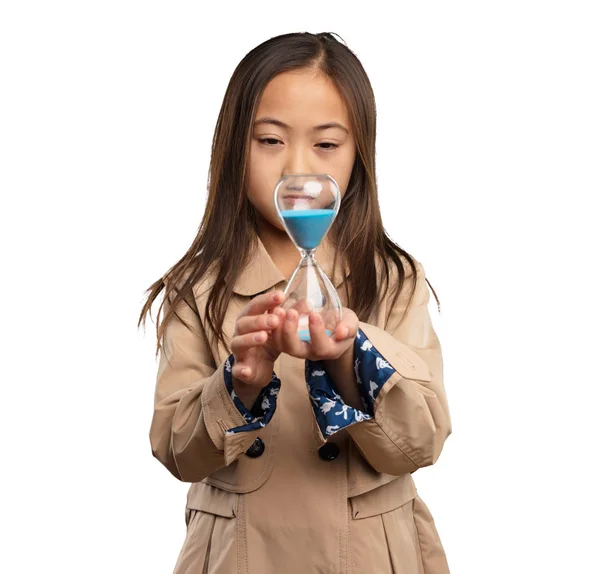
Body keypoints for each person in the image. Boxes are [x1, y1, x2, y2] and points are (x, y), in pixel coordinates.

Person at [139, 31, 452, 574]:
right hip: (240, 555)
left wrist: (350, 362)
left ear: (361, 154)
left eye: (326, 145)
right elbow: (176, 451)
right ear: (233, 146)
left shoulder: (393, 278)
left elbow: (420, 444)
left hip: (371, 553)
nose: (297, 169)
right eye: (270, 141)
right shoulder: (197, 288)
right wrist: (238, 384)